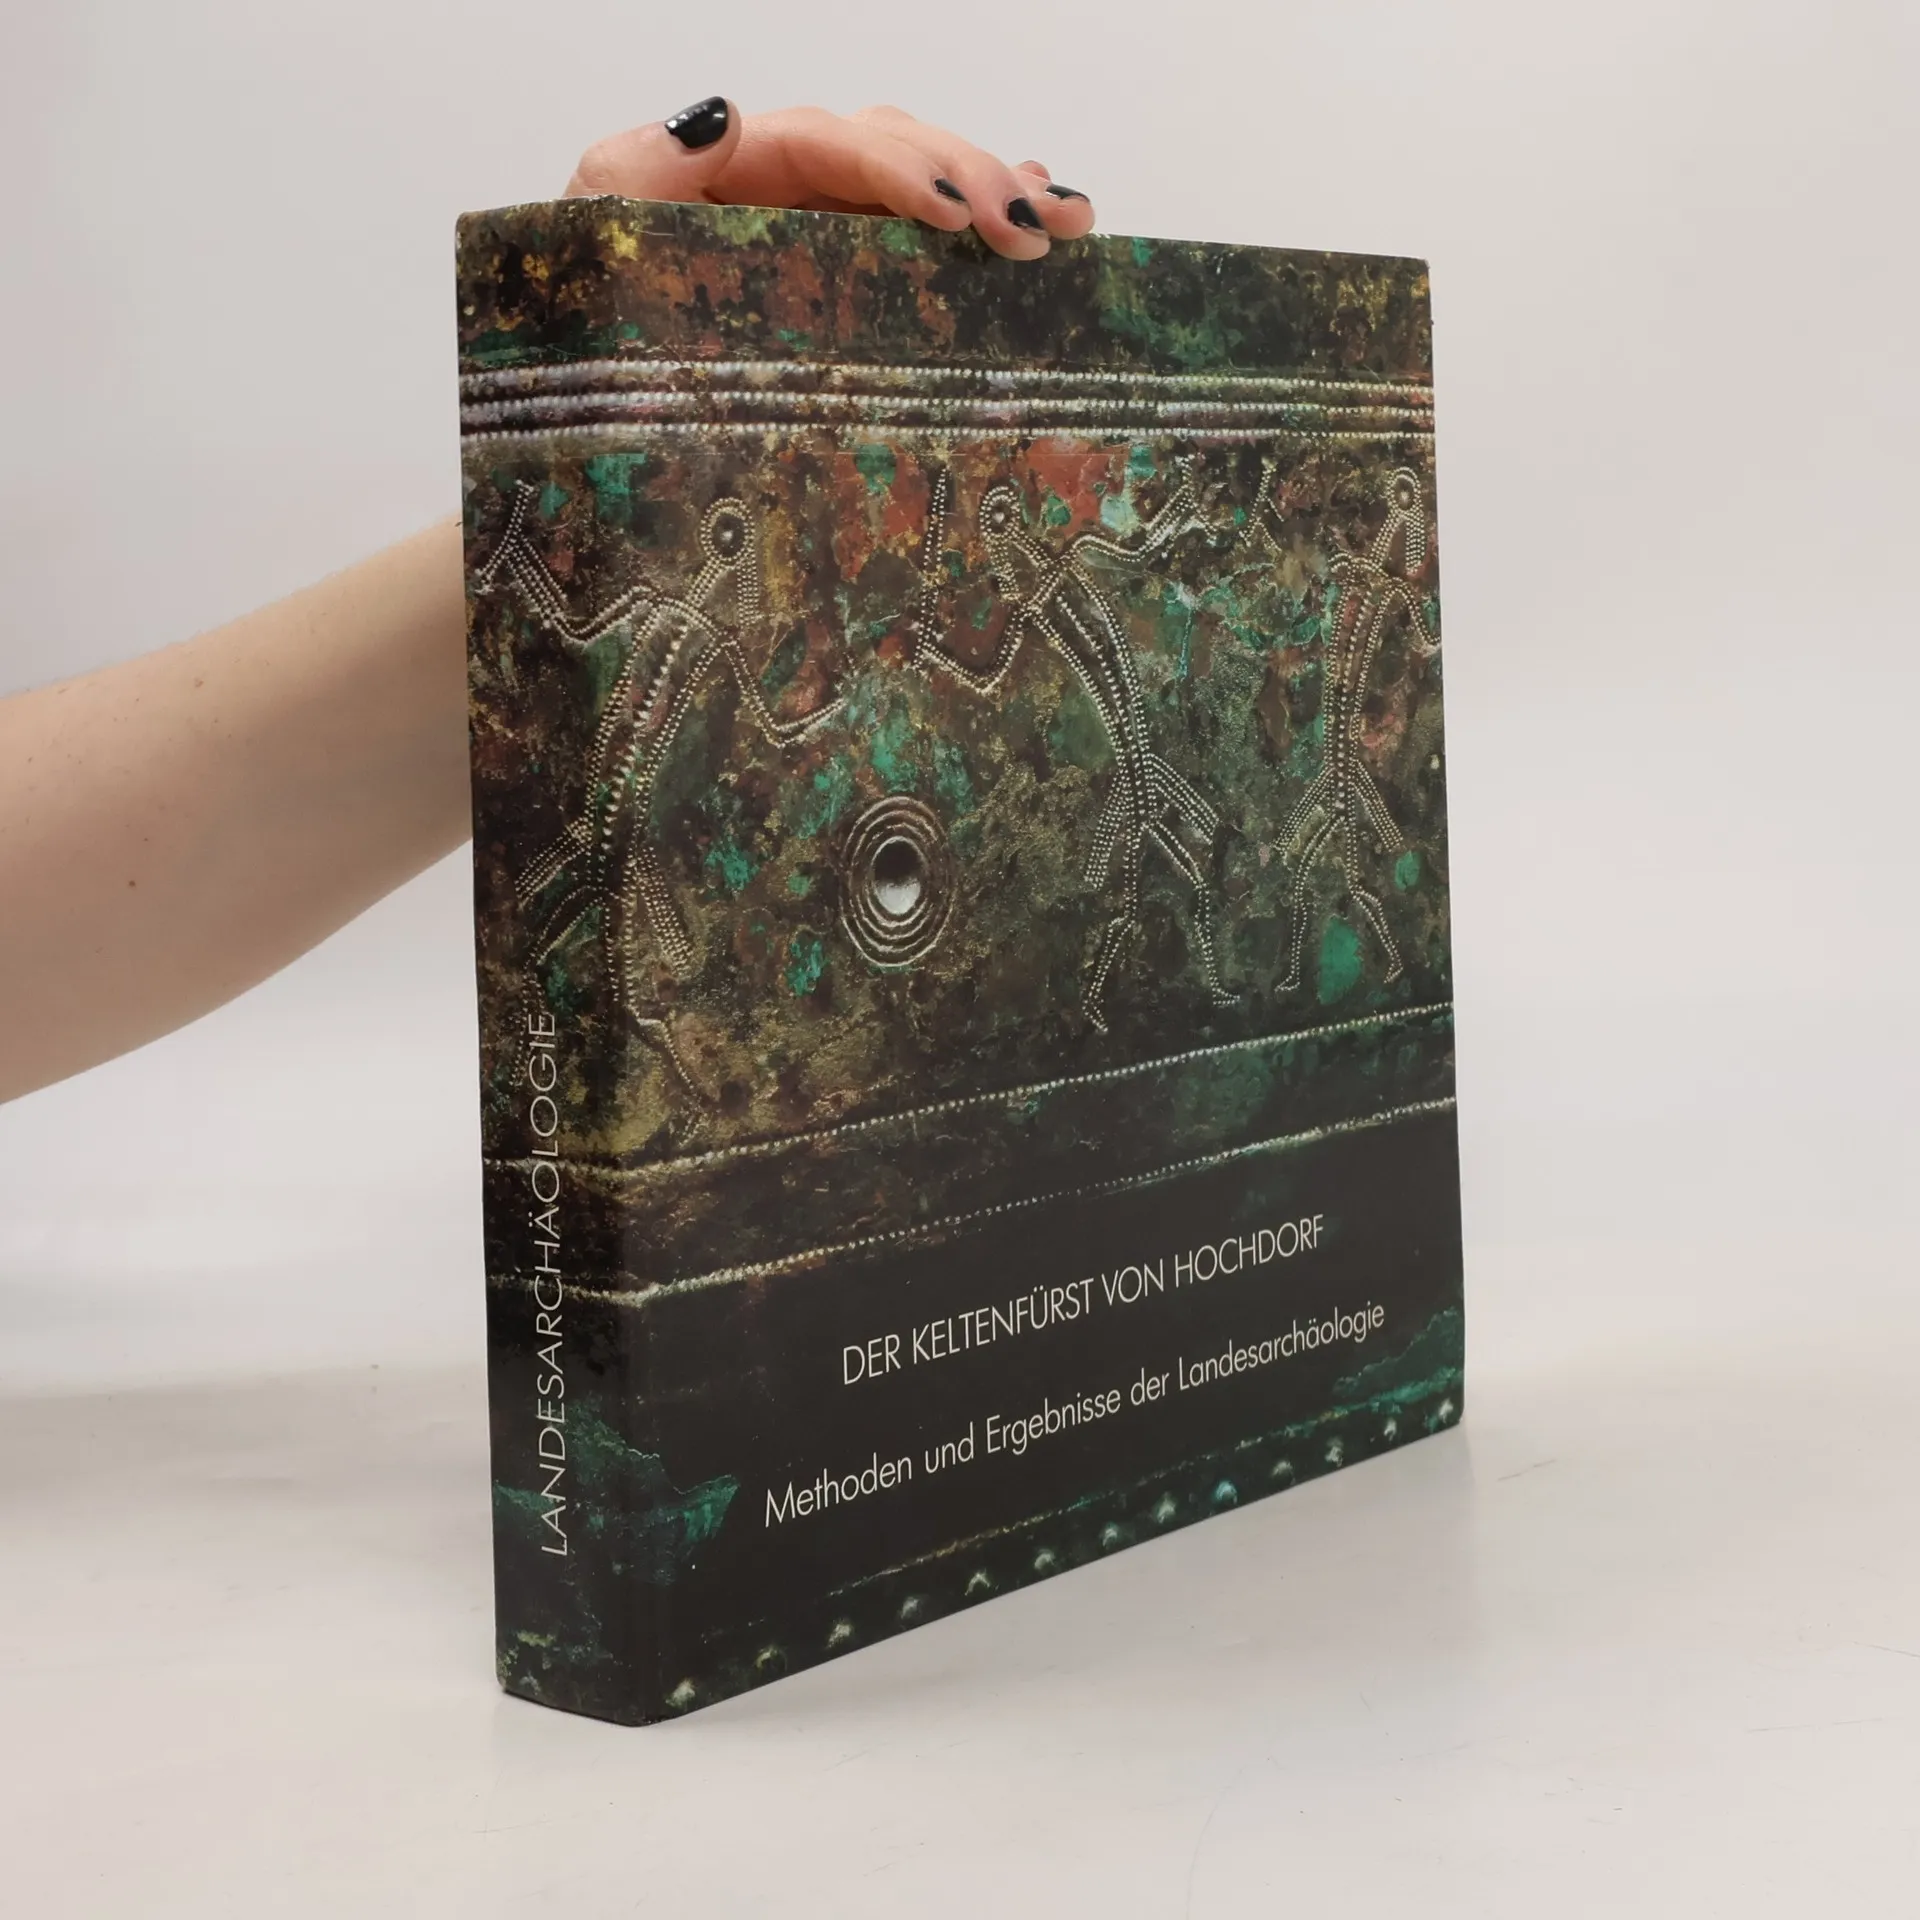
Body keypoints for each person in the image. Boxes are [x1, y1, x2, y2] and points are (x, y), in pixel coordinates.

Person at [0, 100, 1094, 1106]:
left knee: (599, 932)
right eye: (730, 539)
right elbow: (600, 640)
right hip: (614, 816)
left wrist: (556, 499)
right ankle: (671, 1051)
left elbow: (604, 645)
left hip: (616, 813)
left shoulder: (691, 624)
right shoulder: (690, 624)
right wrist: (535, 521)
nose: (731, 554)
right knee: (601, 941)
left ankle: (669, 1045)